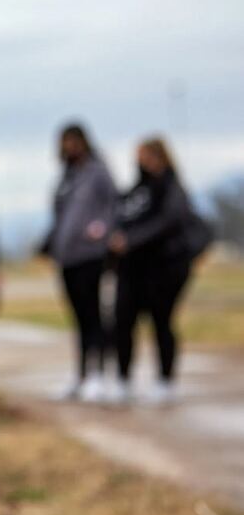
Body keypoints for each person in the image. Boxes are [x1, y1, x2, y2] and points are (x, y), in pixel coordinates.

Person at [108, 137, 196, 405]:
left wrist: (132, 240)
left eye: (145, 155)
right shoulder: (136, 190)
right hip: (131, 269)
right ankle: (123, 379)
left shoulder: (172, 188)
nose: (140, 161)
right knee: (122, 322)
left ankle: (165, 381)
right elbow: (119, 214)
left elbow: (169, 222)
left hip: (162, 269)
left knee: (161, 323)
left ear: (159, 156)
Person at [40, 123, 117, 402]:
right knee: (78, 318)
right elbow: (61, 216)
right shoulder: (66, 176)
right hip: (67, 256)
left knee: (93, 314)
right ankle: (81, 374)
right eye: (65, 142)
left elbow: (112, 205)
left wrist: (102, 230)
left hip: (90, 255)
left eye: (73, 141)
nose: (69, 147)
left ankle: (98, 374)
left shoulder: (97, 171)